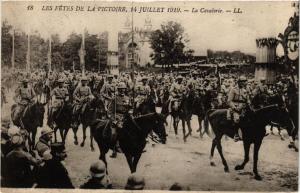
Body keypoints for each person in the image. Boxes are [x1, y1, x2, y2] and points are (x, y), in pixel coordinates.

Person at [109, 82, 131, 158]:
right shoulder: (114, 98)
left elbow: (130, 108)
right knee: (114, 134)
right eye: (120, 89)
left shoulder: (127, 98)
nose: (122, 91)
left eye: (123, 89)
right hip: (117, 117)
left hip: (125, 117)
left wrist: (130, 111)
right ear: (118, 90)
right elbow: (110, 111)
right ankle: (114, 149)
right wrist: (113, 119)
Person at [227, 75, 250, 142]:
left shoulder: (244, 90)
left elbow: (247, 100)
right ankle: (236, 134)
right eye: (242, 82)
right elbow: (229, 100)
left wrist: (248, 102)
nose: (244, 83)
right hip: (235, 107)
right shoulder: (233, 90)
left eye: (244, 82)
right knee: (237, 119)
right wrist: (234, 107)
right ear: (239, 82)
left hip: (243, 107)